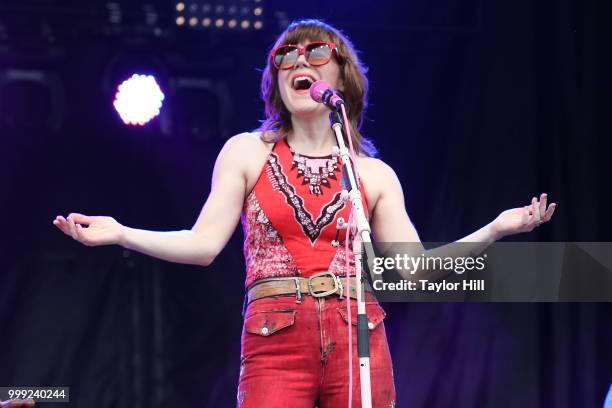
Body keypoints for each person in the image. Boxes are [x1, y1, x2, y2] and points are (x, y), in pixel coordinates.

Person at [53, 19, 556, 407]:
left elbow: (413, 269)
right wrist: (121, 233)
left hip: (358, 332)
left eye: (317, 53)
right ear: (277, 79)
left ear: (341, 76)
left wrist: (495, 229)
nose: (300, 61)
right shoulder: (247, 153)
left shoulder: (373, 174)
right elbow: (203, 245)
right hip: (276, 335)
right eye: (285, 56)